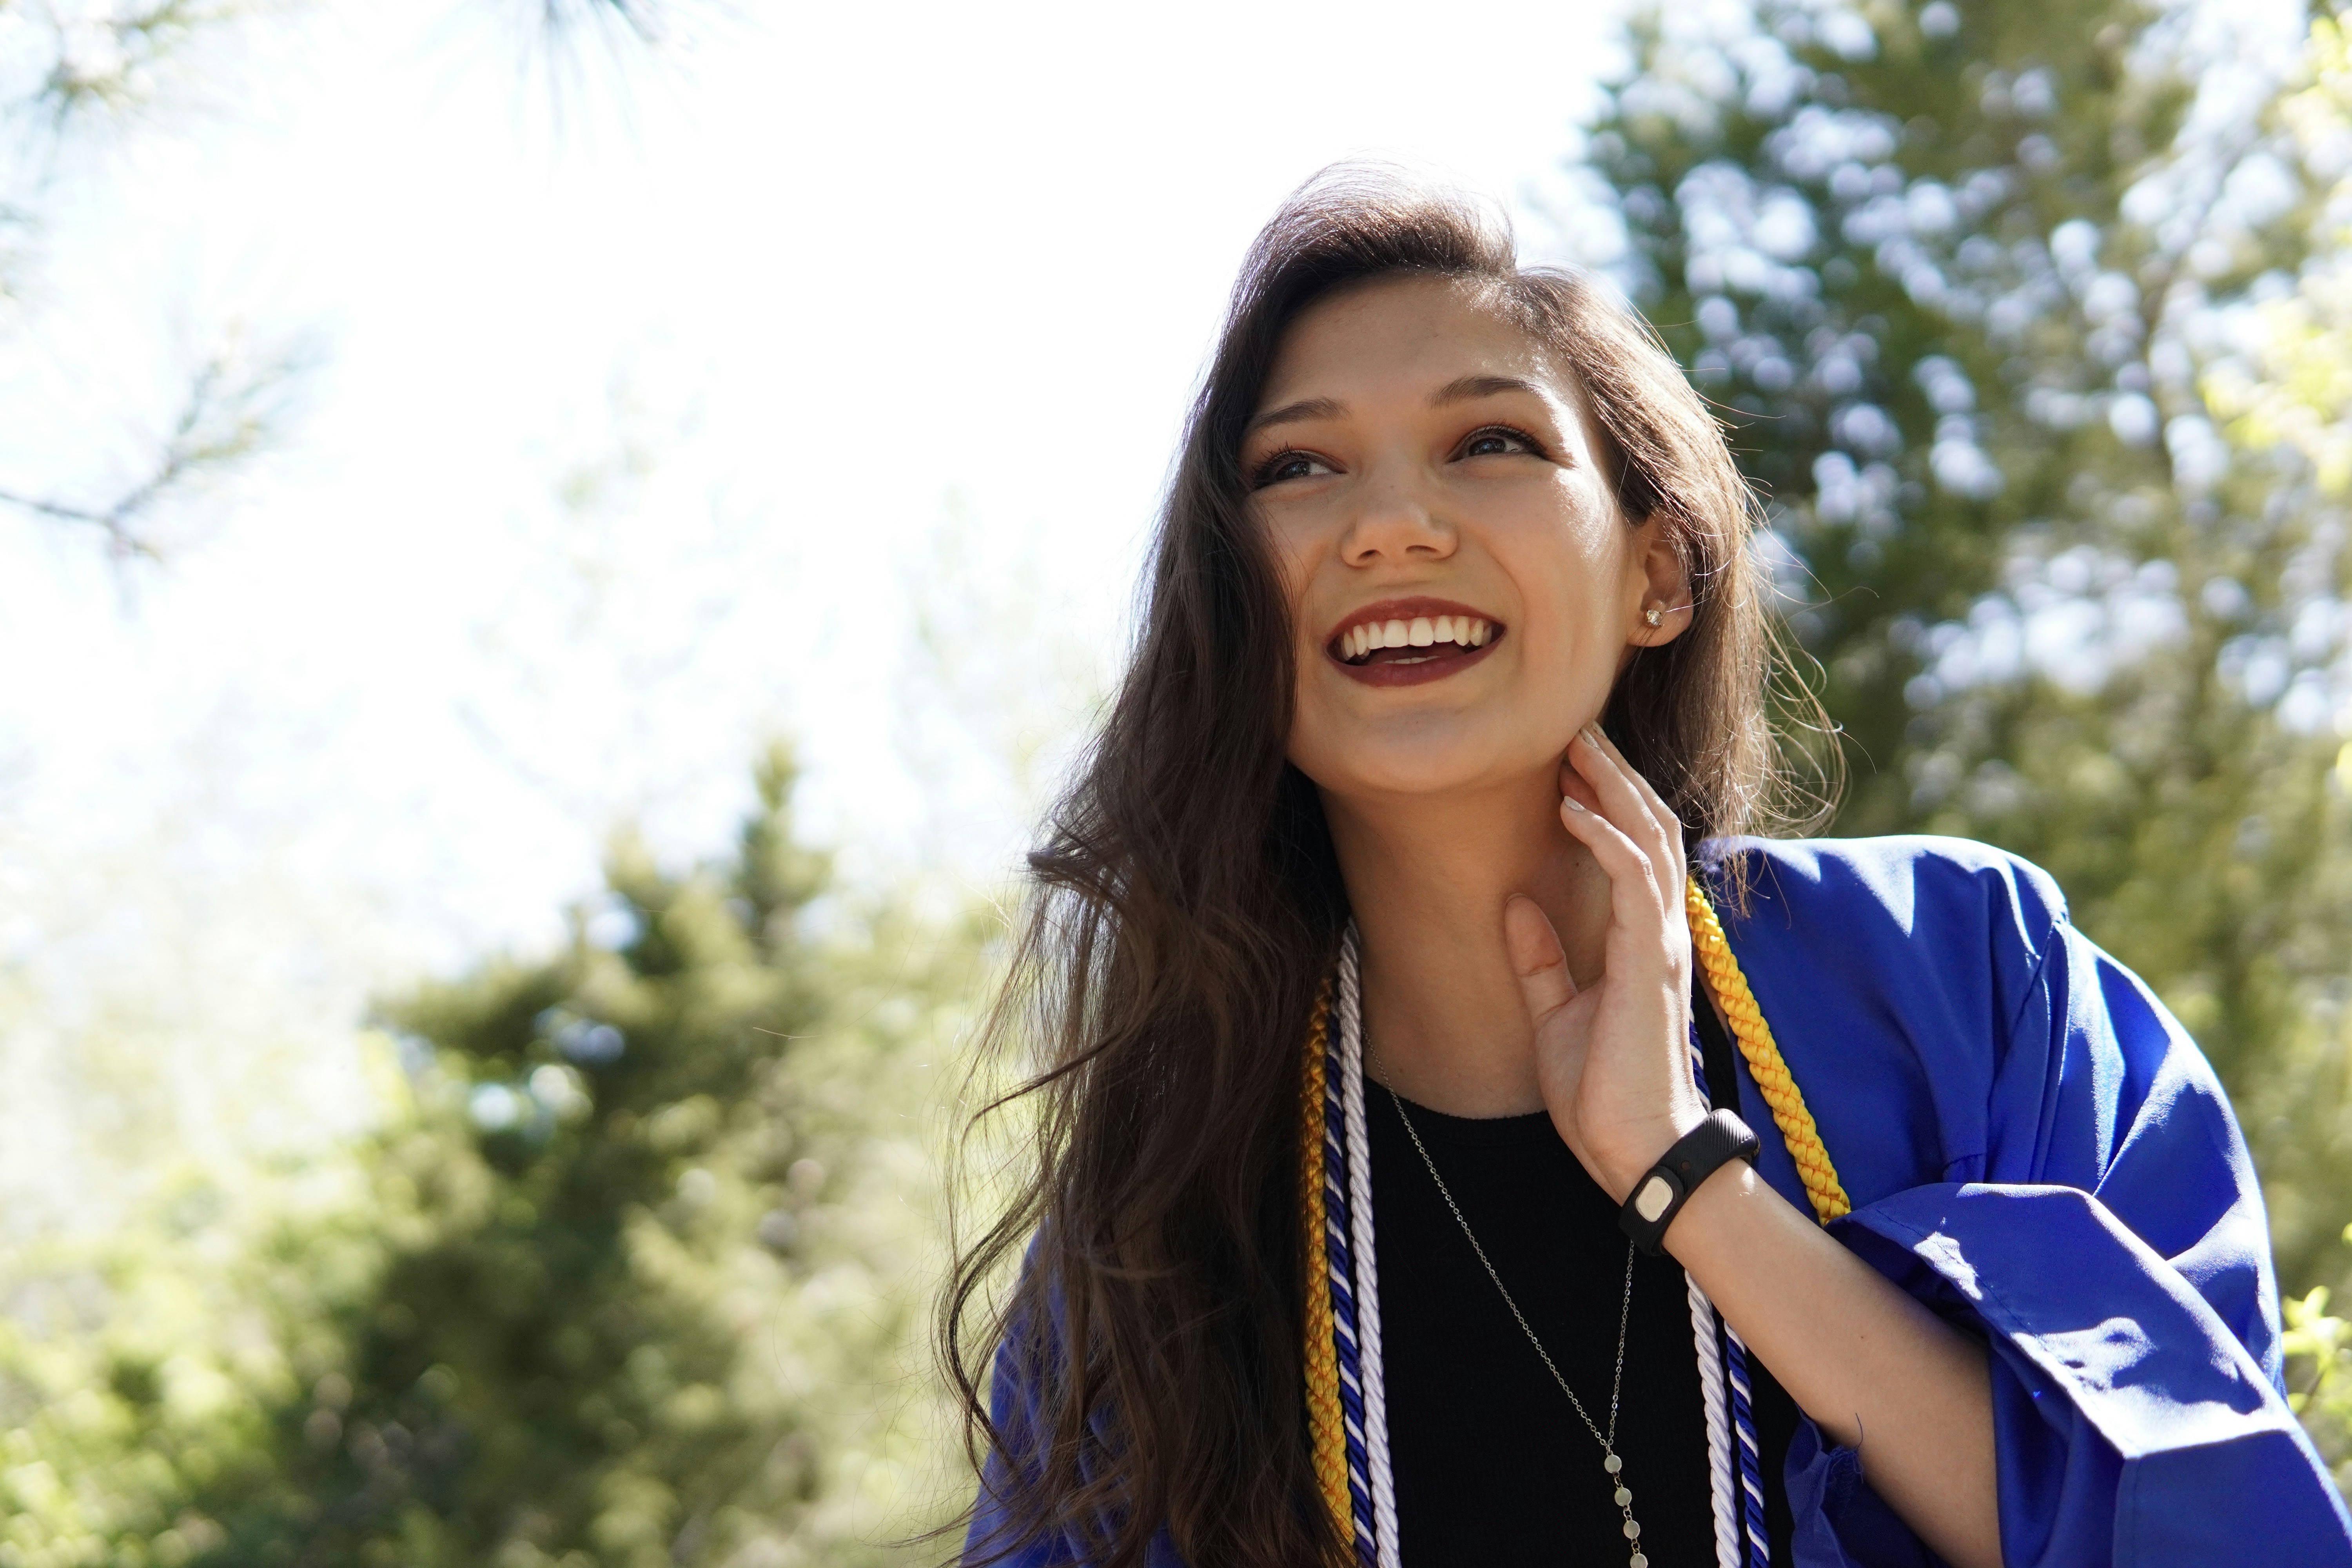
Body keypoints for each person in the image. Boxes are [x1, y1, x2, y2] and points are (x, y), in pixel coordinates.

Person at [942, 169, 2352, 1568]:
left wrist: (1684, 1173)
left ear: (1658, 576)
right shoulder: (1157, 1241)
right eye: (1299, 469)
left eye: (1489, 442)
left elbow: (2203, 1530)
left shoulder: (1965, 980)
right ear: (1233, 610)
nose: (1389, 525)